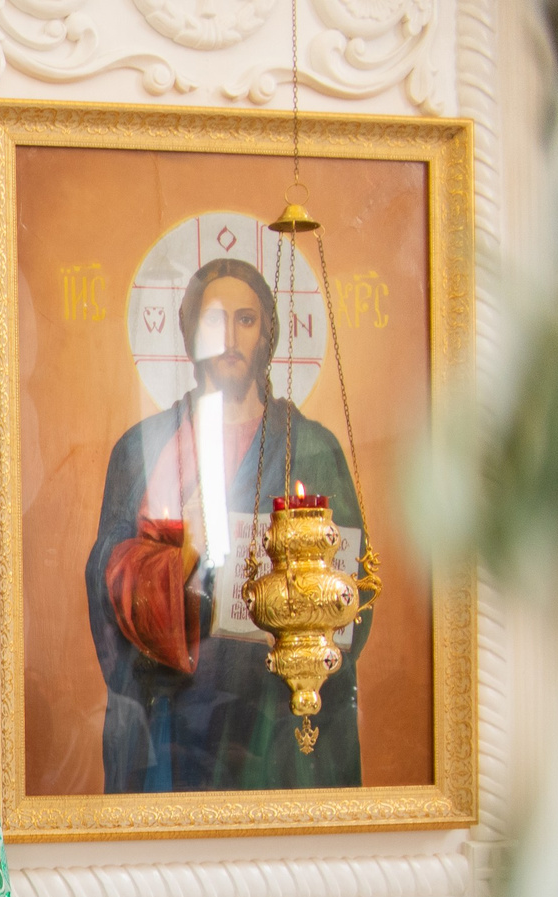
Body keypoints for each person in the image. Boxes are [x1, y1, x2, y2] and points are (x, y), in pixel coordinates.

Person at [84, 255, 367, 793]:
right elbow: (106, 581)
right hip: (175, 714)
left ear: (268, 335)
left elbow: (356, 589)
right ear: (191, 333)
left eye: (246, 319)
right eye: (215, 319)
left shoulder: (312, 448)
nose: (231, 336)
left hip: (278, 716)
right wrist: (179, 556)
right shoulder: (142, 450)